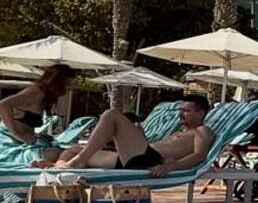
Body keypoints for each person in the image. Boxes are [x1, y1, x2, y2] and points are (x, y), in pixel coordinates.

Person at [57, 92, 214, 177]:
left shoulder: (202, 131)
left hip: (149, 160)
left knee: (111, 114)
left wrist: (171, 166)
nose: (181, 114)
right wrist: (140, 136)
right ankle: (57, 166)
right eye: (180, 110)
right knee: (73, 150)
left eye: (186, 111)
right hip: (135, 157)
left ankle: (77, 162)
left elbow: (199, 155)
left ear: (201, 113)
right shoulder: (180, 132)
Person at [0, 65, 73, 153]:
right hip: (9, 141)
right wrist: (16, 133)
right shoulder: (36, 93)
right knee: (61, 153)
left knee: (68, 152)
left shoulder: (44, 95)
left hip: (22, 141)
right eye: (68, 83)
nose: (70, 87)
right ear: (57, 82)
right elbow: (3, 104)